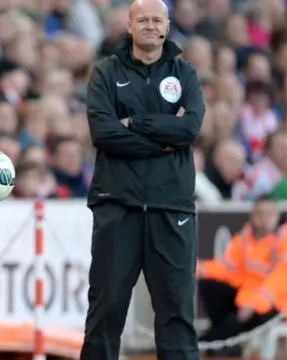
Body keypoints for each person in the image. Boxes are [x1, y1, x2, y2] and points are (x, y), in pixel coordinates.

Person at [81, 0, 205, 359]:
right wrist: (165, 137)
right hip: (117, 205)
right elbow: (103, 133)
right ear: (130, 27)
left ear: (167, 26)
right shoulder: (105, 71)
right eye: (143, 20)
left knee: (176, 314)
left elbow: (190, 128)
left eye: (157, 20)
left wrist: (134, 123)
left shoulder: (186, 75)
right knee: (106, 310)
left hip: (172, 207)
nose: (150, 26)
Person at [197, 194, 287, 357]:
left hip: (276, 304)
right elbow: (226, 267)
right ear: (252, 215)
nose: (264, 219)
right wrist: (197, 269)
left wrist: (254, 303)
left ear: (277, 215)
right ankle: (220, 343)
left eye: (269, 214)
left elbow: (281, 279)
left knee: (236, 322)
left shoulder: (284, 238)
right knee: (209, 285)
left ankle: (210, 343)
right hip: (246, 297)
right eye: (260, 214)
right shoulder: (245, 238)